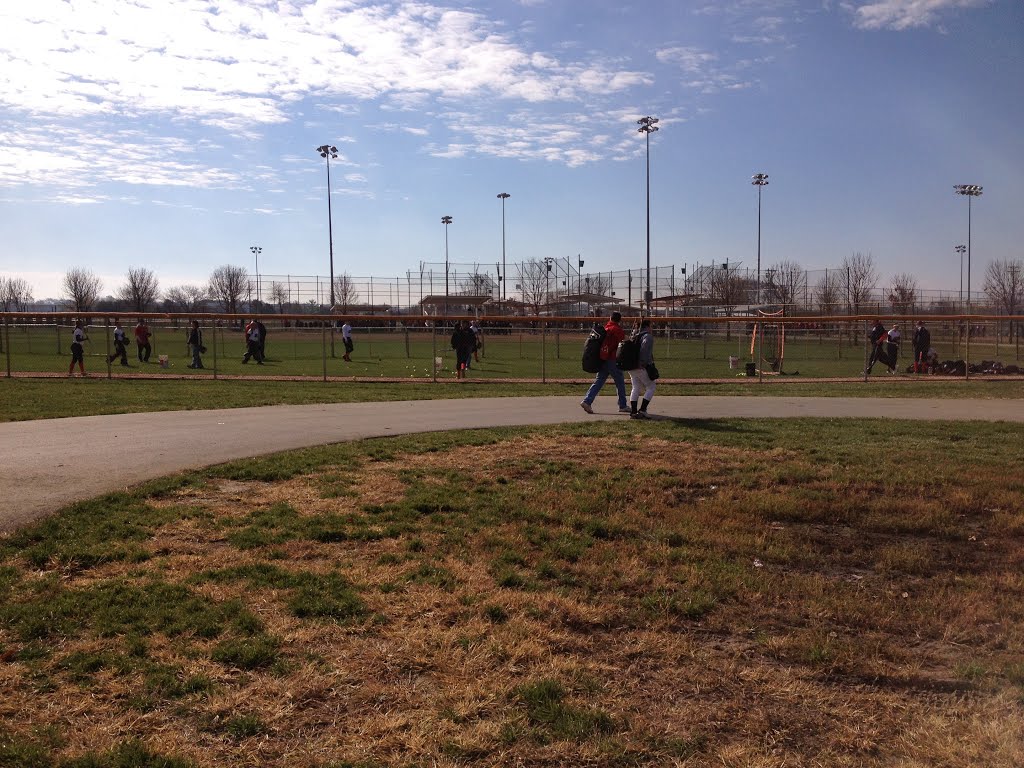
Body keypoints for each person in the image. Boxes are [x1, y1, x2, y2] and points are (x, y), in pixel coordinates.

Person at [580, 311, 629, 414]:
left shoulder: (605, 329)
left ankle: (587, 401)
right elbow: (624, 342)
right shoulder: (618, 330)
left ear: (610, 318)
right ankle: (622, 405)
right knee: (620, 382)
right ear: (619, 320)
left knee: (599, 381)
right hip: (612, 359)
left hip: (603, 358)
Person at [627, 318, 656, 419]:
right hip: (640, 366)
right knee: (651, 386)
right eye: (651, 326)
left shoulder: (633, 335)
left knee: (636, 387)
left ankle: (634, 412)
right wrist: (642, 363)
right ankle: (643, 410)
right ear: (647, 326)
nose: (651, 328)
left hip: (630, 366)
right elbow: (644, 350)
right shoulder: (647, 336)